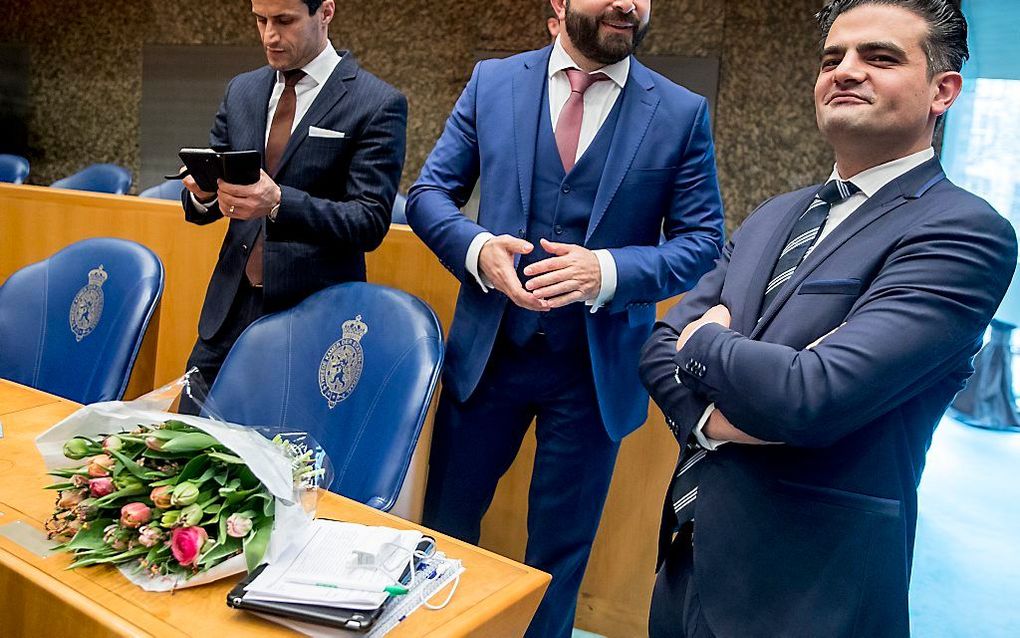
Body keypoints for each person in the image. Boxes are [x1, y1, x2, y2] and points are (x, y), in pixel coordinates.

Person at [638, 1, 1018, 636]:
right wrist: (714, 419)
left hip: (813, 585)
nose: (845, 71)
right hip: (689, 553)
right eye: (831, 59)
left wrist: (707, 341)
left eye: (880, 57)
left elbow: (811, 393)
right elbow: (658, 344)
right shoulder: (772, 215)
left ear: (942, 91)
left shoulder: (962, 232)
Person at [406, 0, 724, 635]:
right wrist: (475, 248)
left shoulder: (681, 112)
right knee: (443, 528)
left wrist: (606, 272)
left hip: (594, 372)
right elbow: (429, 193)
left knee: (561, 552)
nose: (627, 3)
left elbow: (701, 240)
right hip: (488, 358)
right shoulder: (493, 82)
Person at [179, 0, 406, 409]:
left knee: (282, 462)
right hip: (229, 308)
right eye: (260, 20)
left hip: (313, 315)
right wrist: (203, 194)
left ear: (326, 13)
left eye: (284, 21)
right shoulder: (242, 90)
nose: (269, 35)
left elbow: (369, 221)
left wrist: (280, 201)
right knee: (183, 443)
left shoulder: (377, 103)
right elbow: (216, 190)